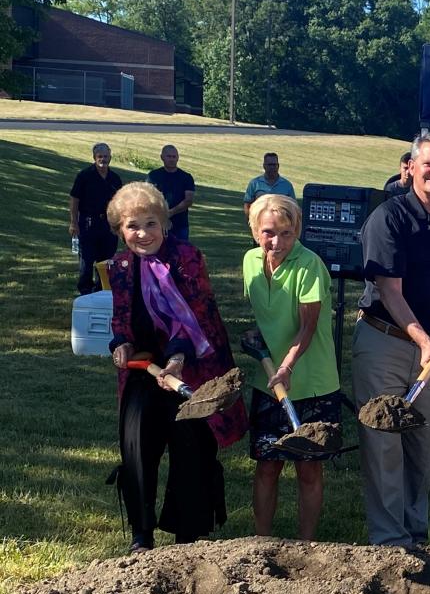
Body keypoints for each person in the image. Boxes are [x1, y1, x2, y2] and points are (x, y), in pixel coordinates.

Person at [105, 183, 246, 552]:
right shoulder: (120, 266)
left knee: (192, 447)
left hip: (193, 363)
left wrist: (178, 360)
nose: (142, 233)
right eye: (132, 225)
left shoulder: (187, 257)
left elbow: (197, 315)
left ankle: (188, 535)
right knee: (137, 445)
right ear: (121, 229)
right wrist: (120, 343)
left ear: (164, 224)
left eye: (150, 224)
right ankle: (141, 534)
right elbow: (121, 315)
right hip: (143, 368)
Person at [354, 131, 430, 548]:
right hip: (385, 342)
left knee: (421, 443)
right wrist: (423, 339)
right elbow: (390, 289)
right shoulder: (390, 218)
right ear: (411, 166)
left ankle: (415, 534)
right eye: (428, 163)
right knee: (384, 440)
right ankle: (389, 540)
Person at [243, 194, 340, 541]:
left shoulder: (309, 265)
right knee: (267, 465)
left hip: (312, 381)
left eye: (286, 233)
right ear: (255, 231)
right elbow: (266, 316)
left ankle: (307, 544)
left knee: (308, 469)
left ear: (296, 231)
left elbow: (307, 327)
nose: (277, 242)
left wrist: (286, 366)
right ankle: (261, 541)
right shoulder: (250, 262)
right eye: (269, 232)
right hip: (267, 381)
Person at [69, 142, 122, 295]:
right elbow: (74, 199)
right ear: (94, 157)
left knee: (106, 259)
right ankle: (85, 290)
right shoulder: (84, 176)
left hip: (108, 224)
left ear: (110, 158)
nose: (103, 159)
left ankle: (102, 290)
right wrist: (73, 222)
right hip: (88, 223)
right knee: (87, 258)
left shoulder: (115, 178)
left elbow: (120, 201)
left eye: (105, 156)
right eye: (100, 156)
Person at [147, 145, 195, 241]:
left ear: (178, 158)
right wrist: (162, 214)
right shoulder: (154, 176)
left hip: (180, 225)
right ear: (162, 157)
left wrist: (171, 212)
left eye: (174, 157)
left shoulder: (186, 177)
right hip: (157, 223)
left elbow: (188, 200)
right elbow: (148, 197)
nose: (172, 159)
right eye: (169, 156)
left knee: (181, 253)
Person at [242, 153, 296, 219]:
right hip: (260, 222)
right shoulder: (255, 183)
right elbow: (247, 205)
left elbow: (294, 207)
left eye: (274, 165)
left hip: (281, 224)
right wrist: (250, 220)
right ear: (264, 166)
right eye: (269, 165)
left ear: (278, 166)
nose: (272, 167)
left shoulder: (287, 185)